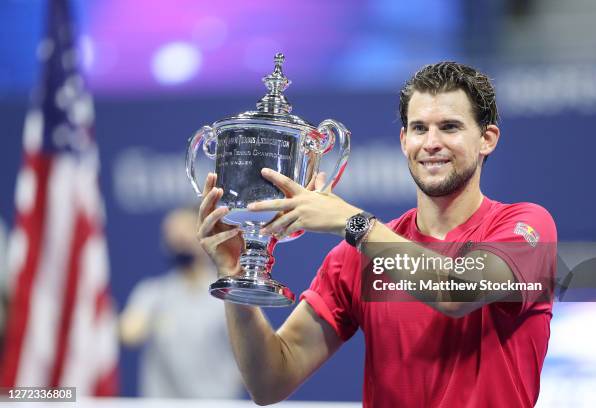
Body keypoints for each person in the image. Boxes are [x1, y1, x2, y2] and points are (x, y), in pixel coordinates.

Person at [197, 62, 557, 407]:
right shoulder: (357, 256)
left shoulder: (526, 227)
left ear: (487, 139)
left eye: (449, 127)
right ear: (404, 140)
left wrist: (354, 223)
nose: (431, 143)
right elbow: (270, 381)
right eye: (419, 128)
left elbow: (457, 292)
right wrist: (236, 278)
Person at [120, 207, 243, 399]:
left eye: (185, 232)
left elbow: (255, 356)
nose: (178, 240)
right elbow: (129, 333)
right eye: (172, 234)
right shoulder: (152, 293)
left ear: (205, 234)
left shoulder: (229, 294)